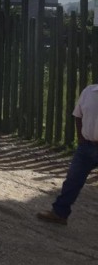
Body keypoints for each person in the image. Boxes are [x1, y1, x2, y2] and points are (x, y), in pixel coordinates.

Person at [37, 83, 98, 225]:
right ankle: (59, 213)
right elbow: (78, 115)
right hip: (87, 146)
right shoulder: (89, 91)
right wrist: (81, 139)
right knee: (72, 180)